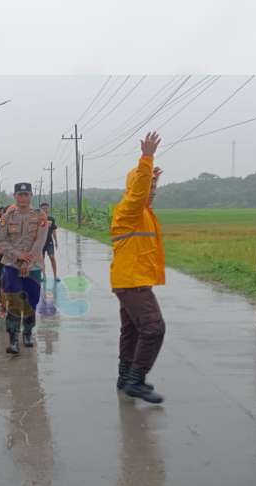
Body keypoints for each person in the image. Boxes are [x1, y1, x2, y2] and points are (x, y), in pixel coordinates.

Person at [110, 132, 166, 404]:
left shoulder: (142, 212)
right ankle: (136, 380)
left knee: (132, 330)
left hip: (133, 279)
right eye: (148, 186)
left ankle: (124, 376)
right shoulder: (129, 210)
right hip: (131, 281)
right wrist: (146, 159)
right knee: (153, 328)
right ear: (136, 187)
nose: (152, 189)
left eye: (156, 186)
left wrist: (151, 175)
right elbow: (139, 191)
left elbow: (143, 191)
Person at [0, 182, 50, 354]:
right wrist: (18, 256)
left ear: (31, 196)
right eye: (20, 195)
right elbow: (1, 241)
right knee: (13, 303)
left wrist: (27, 263)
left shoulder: (40, 216)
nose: (23, 198)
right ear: (15, 196)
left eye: (26, 194)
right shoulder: (6, 217)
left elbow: (40, 242)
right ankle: (13, 339)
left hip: (33, 267)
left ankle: (27, 333)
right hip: (12, 265)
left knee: (30, 302)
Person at [40, 202, 60, 282]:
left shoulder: (51, 219)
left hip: (49, 242)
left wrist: (56, 241)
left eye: (46, 208)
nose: (45, 210)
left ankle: (55, 276)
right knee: (41, 259)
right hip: (41, 243)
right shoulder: (38, 218)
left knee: (52, 257)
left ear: (49, 209)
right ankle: (44, 276)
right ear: (40, 209)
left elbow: (54, 231)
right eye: (43, 208)